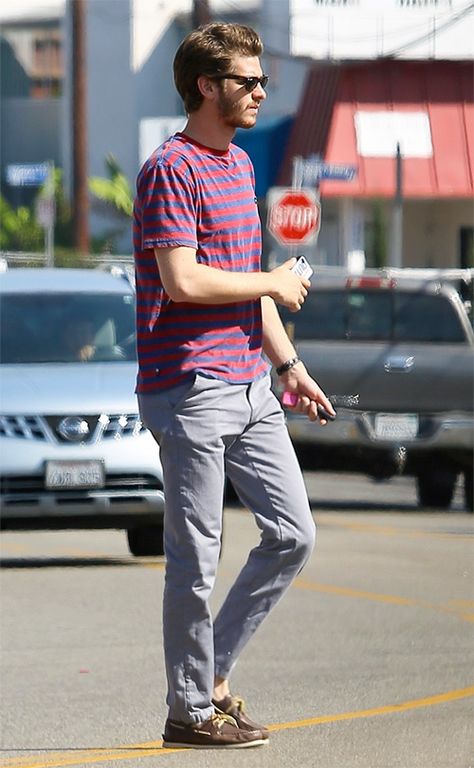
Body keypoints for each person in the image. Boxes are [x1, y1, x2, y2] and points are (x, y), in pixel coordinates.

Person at [133, 22, 335, 750]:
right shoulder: (171, 168)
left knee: (293, 534)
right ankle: (189, 711)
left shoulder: (241, 167)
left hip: (252, 383)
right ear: (204, 87)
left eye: (261, 81)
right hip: (188, 387)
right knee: (197, 558)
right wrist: (275, 283)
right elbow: (182, 280)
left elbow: (252, 293)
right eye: (246, 81)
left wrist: (290, 367)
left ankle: (209, 675)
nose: (259, 91)